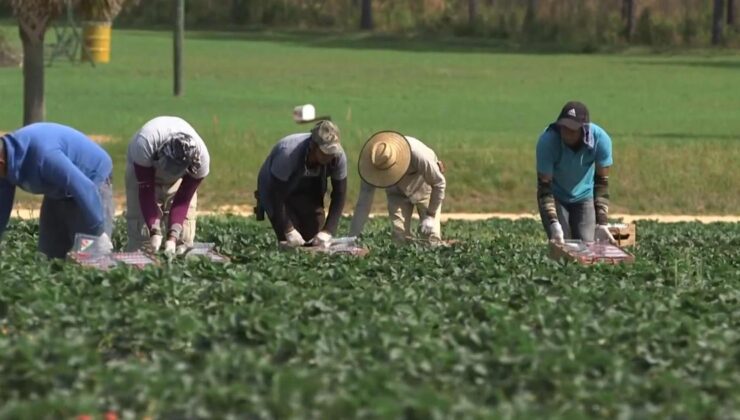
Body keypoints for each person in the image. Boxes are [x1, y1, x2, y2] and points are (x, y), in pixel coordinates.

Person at [0, 123, 114, 258]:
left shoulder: (44, 156)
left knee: (91, 257)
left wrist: (98, 231)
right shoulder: (6, 163)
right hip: (58, 190)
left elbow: (83, 186)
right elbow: (2, 205)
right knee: (49, 255)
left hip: (91, 182)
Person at [125, 116, 210, 255]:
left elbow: (183, 199)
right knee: (142, 237)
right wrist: (154, 230)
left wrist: (172, 237)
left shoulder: (201, 161)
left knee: (184, 238)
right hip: (144, 169)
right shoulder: (144, 144)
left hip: (180, 177)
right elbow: (145, 191)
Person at [256, 120, 347, 247]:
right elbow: (276, 196)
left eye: (333, 153)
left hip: (309, 190)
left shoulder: (338, 157)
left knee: (316, 242)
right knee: (289, 243)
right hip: (274, 188)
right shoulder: (288, 153)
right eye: (325, 153)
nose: (330, 157)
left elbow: (339, 194)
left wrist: (327, 231)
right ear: (313, 146)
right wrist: (288, 229)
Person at [536, 101, 616, 244]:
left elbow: (602, 182)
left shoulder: (600, 140)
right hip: (556, 196)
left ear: (584, 128)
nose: (567, 133)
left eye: (573, 129)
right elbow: (544, 187)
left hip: (584, 196)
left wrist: (602, 222)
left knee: (587, 244)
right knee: (563, 244)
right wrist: (553, 223)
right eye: (564, 127)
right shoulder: (547, 142)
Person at [350, 131, 446, 244]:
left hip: (424, 187)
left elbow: (439, 183)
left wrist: (430, 215)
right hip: (396, 192)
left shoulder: (417, 153)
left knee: (431, 238)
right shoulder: (371, 162)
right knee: (399, 237)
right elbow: (363, 202)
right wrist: (353, 236)